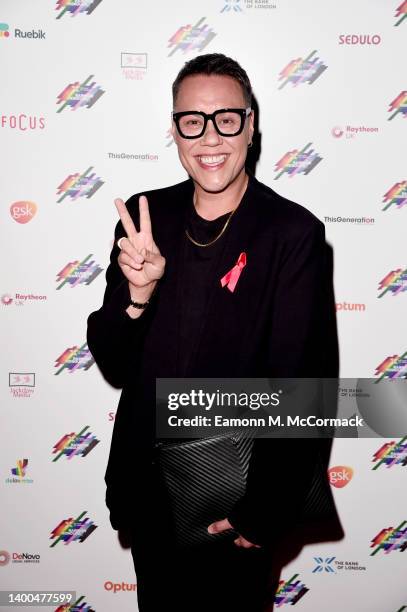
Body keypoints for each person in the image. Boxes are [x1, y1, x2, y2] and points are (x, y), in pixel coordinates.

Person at [87, 53, 338, 611]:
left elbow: (304, 379)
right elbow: (111, 359)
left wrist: (265, 512)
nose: (210, 137)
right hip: (149, 488)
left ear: (251, 125)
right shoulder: (143, 217)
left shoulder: (290, 232)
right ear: (175, 130)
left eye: (227, 118)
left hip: (237, 491)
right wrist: (138, 296)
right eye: (191, 120)